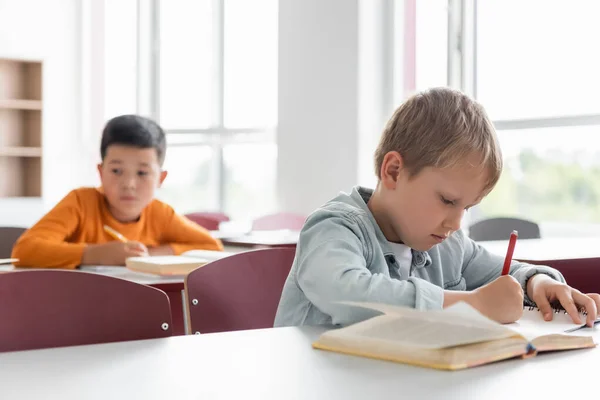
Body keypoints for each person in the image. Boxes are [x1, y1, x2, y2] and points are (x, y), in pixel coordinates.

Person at [274, 88, 600, 327]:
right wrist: (470, 305)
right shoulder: (333, 228)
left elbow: (506, 273)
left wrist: (538, 284)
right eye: (447, 200)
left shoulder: (449, 245)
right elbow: (346, 293)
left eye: (468, 207)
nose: (457, 222)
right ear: (394, 172)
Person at [12, 114, 222, 269]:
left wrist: (153, 253)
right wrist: (94, 253)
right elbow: (24, 250)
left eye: (142, 173)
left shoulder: (161, 214)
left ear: (161, 178)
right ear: (101, 172)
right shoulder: (80, 202)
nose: (129, 183)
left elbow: (212, 247)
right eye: (116, 171)